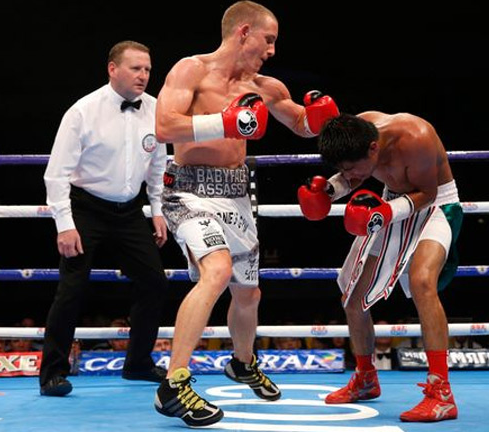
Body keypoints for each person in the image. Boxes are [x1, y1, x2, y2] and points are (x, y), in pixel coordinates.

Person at [152, 1, 339, 427]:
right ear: (244, 32)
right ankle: (174, 384)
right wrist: (225, 122)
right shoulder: (191, 70)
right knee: (216, 272)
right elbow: (164, 126)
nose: (272, 50)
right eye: (268, 39)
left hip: (236, 196)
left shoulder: (265, 86)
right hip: (189, 192)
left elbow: (301, 124)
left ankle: (242, 362)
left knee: (248, 293)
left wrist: (323, 119)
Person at [298, 112, 463, 422]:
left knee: (422, 283)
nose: (347, 174)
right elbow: (354, 174)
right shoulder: (358, 132)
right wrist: (328, 192)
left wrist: (387, 211)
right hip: (389, 205)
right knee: (352, 294)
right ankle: (365, 378)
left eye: (350, 168)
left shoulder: (417, 138)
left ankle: (441, 392)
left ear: (373, 149)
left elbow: (427, 194)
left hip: (437, 205)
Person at [40, 40, 169, 397]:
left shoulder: (155, 109)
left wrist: (157, 210)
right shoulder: (83, 111)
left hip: (130, 211)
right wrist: (64, 224)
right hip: (86, 210)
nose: (143, 75)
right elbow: (56, 174)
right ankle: (52, 372)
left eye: (147, 69)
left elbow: (158, 166)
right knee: (72, 289)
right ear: (113, 69)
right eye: (135, 68)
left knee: (154, 281)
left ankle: (138, 362)